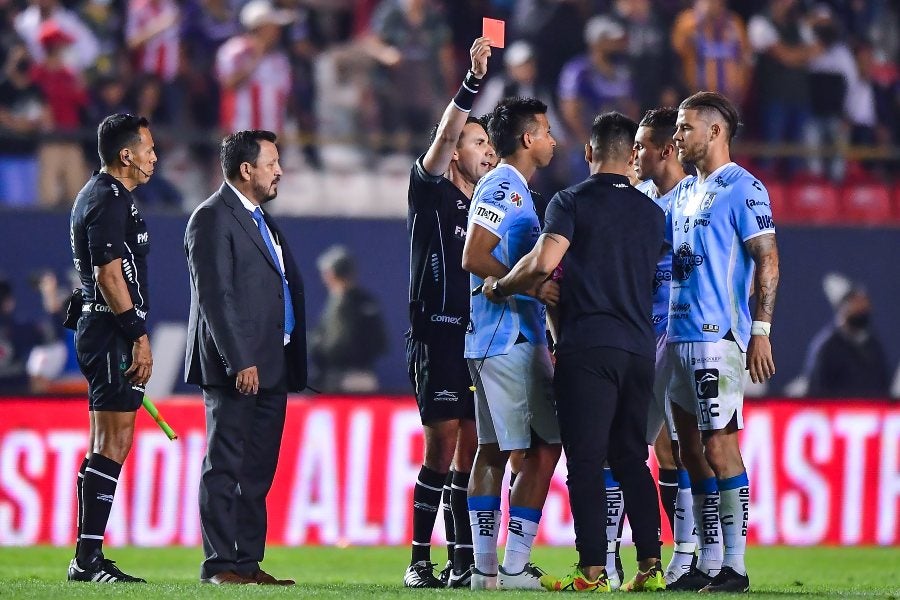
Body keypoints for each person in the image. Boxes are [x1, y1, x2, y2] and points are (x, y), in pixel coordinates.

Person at [487, 111, 666, 592]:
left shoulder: (571, 201)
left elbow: (544, 262)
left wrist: (502, 287)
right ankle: (651, 566)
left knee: (585, 460)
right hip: (639, 348)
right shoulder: (654, 214)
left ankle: (592, 570)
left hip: (588, 346)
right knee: (630, 457)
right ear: (632, 155)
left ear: (589, 153)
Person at [666, 91, 780, 593]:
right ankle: (706, 562)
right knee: (689, 451)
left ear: (715, 132)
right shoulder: (686, 191)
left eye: (686, 128)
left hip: (718, 338)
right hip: (677, 335)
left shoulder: (745, 188)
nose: (678, 137)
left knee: (720, 447)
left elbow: (768, 259)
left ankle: (735, 565)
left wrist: (760, 330)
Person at [184, 130, 307, 586]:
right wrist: (239, 360)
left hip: (272, 365)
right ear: (246, 170)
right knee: (225, 465)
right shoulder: (212, 218)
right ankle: (219, 565)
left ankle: (248, 563)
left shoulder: (261, 220)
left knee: (257, 470)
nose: (279, 171)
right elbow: (216, 297)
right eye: (272, 162)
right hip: (237, 368)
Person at [403, 37, 495, 589]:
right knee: (440, 447)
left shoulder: (484, 207)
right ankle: (419, 561)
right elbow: (441, 136)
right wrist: (471, 83)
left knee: (469, 448)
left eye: (489, 142)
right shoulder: (431, 191)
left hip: (476, 337)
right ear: (453, 148)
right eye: (475, 141)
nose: (486, 151)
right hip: (437, 334)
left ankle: (462, 560)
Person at [461, 96, 562, 591]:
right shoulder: (504, 185)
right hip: (507, 337)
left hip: (495, 337)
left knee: (493, 450)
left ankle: (488, 572)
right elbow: (474, 254)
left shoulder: (514, 187)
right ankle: (509, 567)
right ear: (527, 138)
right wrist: (528, 284)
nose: (552, 140)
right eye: (544, 131)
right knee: (543, 445)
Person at [66, 113, 156, 584]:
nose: (153, 158)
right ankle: (87, 560)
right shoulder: (107, 198)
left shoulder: (104, 196)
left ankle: (89, 555)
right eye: (148, 149)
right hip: (111, 334)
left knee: (105, 441)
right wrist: (137, 333)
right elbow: (108, 273)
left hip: (102, 329)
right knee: (113, 441)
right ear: (126, 155)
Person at [632, 107, 699, 585]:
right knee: (648, 446)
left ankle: (690, 552)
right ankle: (630, 555)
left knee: (687, 447)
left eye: (642, 145)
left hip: (684, 334)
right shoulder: (636, 198)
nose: (634, 154)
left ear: (667, 150)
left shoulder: (696, 199)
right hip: (641, 337)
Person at [309, 244, 387, 393]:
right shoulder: (336, 301)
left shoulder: (359, 302)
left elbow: (378, 342)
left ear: (332, 274)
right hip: (334, 376)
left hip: (355, 377)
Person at [803, 286, 890, 397]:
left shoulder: (873, 345)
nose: (862, 309)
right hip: (836, 411)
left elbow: (883, 384)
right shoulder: (828, 346)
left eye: (864, 304)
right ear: (843, 307)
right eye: (856, 304)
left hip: (869, 411)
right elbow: (816, 389)